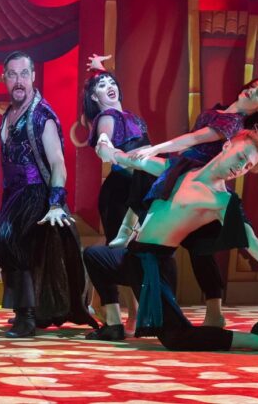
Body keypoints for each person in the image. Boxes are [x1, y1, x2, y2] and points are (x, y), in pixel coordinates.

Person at [113, 55, 258, 328]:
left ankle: (213, 312)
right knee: (149, 184)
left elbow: (195, 138)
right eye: (251, 86)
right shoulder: (225, 111)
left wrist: (157, 148)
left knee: (202, 248)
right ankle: (130, 233)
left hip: (199, 178)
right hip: (185, 172)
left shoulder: (232, 124)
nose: (251, 91)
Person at [85, 130, 258, 351]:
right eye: (241, 157)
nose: (241, 167)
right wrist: (107, 149)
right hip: (132, 257)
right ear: (227, 146)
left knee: (177, 338)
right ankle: (113, 324)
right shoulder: (180, 168)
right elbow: (133, 161)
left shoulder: (222, 200)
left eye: (248, 166)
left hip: (154, 267)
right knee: (94, 256)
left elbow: (253, 243)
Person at [0, 51, 97, 338]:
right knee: (3, 243)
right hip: (14, 194)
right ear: (4, 78)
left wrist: (55, 203)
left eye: (24, 74)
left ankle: (27, 316)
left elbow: (58, 162)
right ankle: (25, 310)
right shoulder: (9, 115)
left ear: (33, 76)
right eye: (13, 74)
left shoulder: (41, 116)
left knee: (12, 240)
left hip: (36, 192)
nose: (19, 80)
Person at [82, 53, 147, 333]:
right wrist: (104, 144)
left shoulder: (129, 115)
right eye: (101, 85)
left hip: (139, 189)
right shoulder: (107, 116)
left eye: (111, 82)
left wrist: (100, 70)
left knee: (135, 249)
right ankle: (127, 313)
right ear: (94, 97)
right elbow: (105, 138)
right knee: (122, 251)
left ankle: (102, 304)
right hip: (120, 192)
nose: (109, 86)